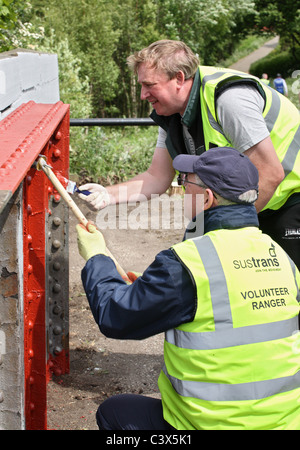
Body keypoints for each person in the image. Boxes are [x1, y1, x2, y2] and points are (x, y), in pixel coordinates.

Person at [76, 147, 300, 430]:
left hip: (211, 424)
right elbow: (230, 292)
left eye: (185, 184)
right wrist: (150, 285)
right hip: (284, 423)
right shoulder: (281, 256)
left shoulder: (188, 263)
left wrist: (97, 257)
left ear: (206, 199)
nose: (181, 191)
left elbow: (114, 315)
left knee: (114, 413)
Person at [78, 40, 300, 269]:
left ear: (179, 79)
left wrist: (227, 232)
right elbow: (157, 176)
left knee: (287, 289)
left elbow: (271, 173)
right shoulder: (170, 113)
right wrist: (108, 194)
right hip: (242, 203)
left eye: (149, 85)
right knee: (198, 266)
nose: (143, 94)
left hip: (289, 200)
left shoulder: (228, 99)